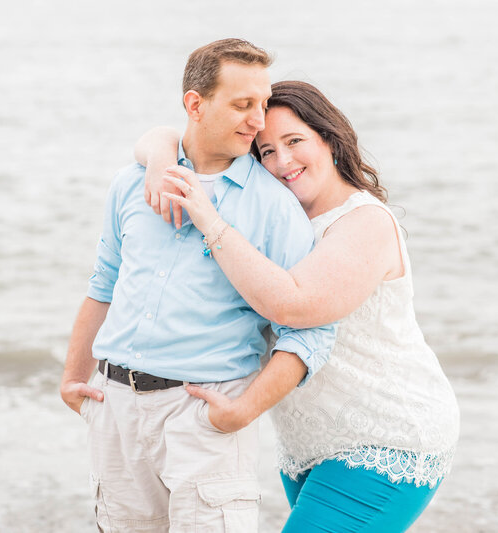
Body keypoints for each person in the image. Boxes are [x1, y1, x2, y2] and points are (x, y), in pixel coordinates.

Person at [136, 80, 460, 532]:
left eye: (294, 142)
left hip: (386, 440)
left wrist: (207, 216)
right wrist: (160, 161)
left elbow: (294, 305)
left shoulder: (363, 222)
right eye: (266, 151)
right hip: (307, 444)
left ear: (328, 138)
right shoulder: (279, 215)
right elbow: (163, 136)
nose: (282, 161)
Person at [60, 41, 337, 532]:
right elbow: (103, 284)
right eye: (242, 105)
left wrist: (239, 413)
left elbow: (310, 332)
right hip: (114, 411)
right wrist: (74, 378)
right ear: (195, 104)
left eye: (263, 103)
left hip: (203, 416)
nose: (258, 121)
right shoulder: (131, 183)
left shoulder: (275, 208)